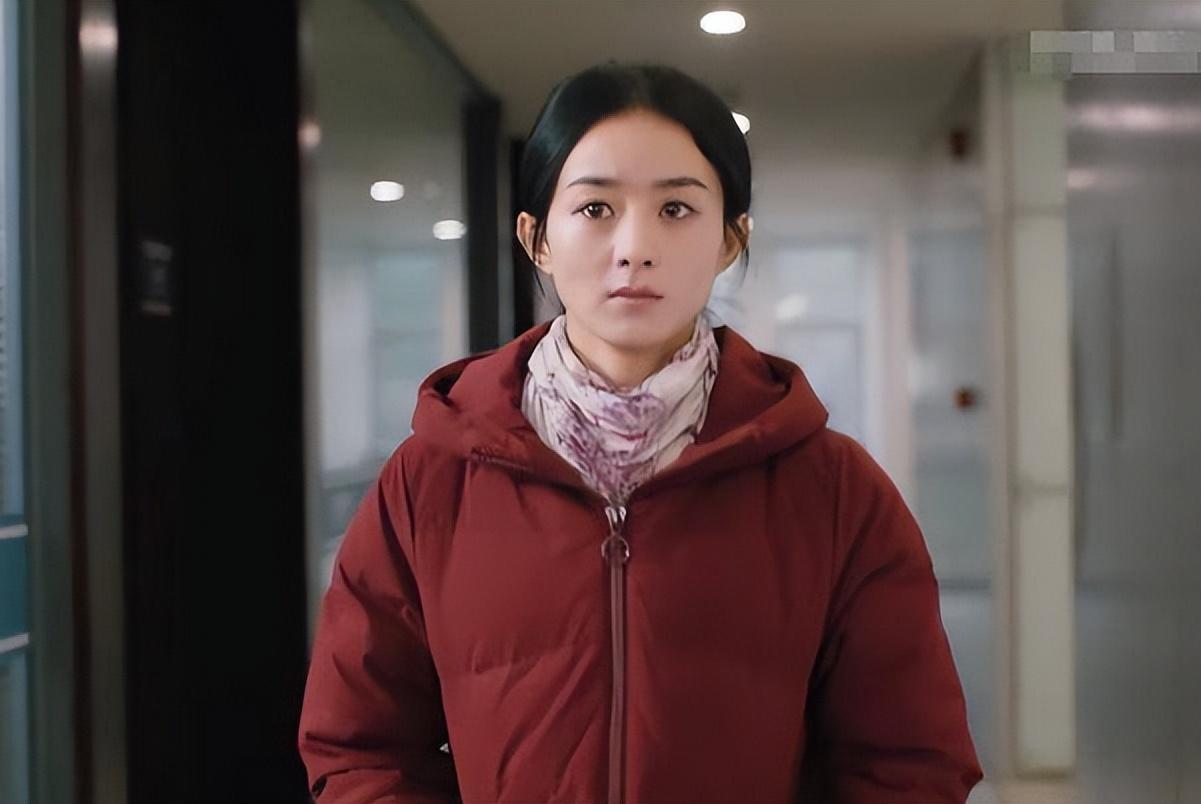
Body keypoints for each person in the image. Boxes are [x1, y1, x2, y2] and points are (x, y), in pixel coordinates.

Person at [298, 62, 983, 803]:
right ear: (537, 238)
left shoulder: (834, 490)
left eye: (676, 209)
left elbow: (910, 762)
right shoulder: (430, 481)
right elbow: (361, 746)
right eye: (595, 208)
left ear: (730, 239)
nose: (634, 246)